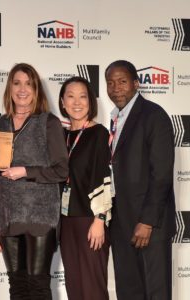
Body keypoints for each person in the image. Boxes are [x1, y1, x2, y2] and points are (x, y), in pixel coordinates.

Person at [0, 63, 69, 300]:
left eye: (29, 84)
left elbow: (61, 170)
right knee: (17, 286)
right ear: (9, 87)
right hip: (6, 215)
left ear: (36, 89)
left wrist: (26, 171)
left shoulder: (48, 122)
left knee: (38, 286)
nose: (23, 89)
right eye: (17, 83)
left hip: (39, 216)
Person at [105, 60, 176, 300]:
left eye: (122, 81)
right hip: (121, 223)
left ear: (136, 83)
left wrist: (146, 221)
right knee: (128, 292)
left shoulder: (154, 116)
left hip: (149, 226)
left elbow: (162, 174)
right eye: (110, 83)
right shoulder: (115, 119)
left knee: (155, 293)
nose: (116, 88)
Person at [57, 76, 112, 300]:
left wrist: (100, 219)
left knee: (93, 288)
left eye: (82, 96)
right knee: (75, 287)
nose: (76, 102)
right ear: (62, 102)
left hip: (91, 220)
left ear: (90, 102)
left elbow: (105, 176)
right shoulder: (61, 136)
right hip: (65, 220)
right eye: (70, 96)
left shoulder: (99, 134)